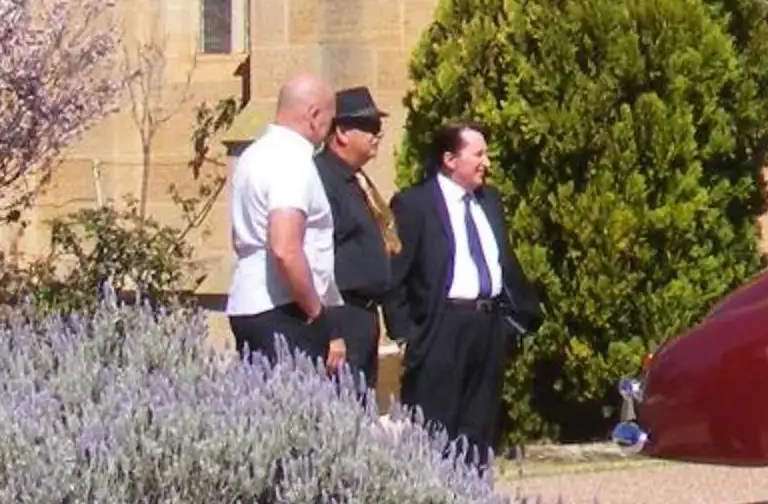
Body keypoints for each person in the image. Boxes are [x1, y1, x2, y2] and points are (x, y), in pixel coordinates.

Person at [391, 121, 537, 468]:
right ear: (449, 159)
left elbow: (504, 262)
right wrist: (408, 335)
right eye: (478, 154)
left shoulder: (490, 202)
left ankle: (474, 503)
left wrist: (518, 319)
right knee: (437, 428)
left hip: (488, 326)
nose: (487, 162)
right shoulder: (416, 204)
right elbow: (396, 274)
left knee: (479, 426)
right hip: (442, 327)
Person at [225, 74, 338, 362]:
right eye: (329, 120)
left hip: (248, 302)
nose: (329, 131)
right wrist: (317, 312)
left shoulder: (253, 154)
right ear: (314, 115)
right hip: (284, 309)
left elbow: (240, 236)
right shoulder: (291, 160)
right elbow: (285, 247)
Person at [314, 85, 398, 390]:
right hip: (342, 313)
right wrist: (332, 328)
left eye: (378, 128)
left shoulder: (357, 180)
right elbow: (320, 257)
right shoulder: (324, 179)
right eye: (369, 127)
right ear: (342, 133)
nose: (377, 135)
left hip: (364, 315)